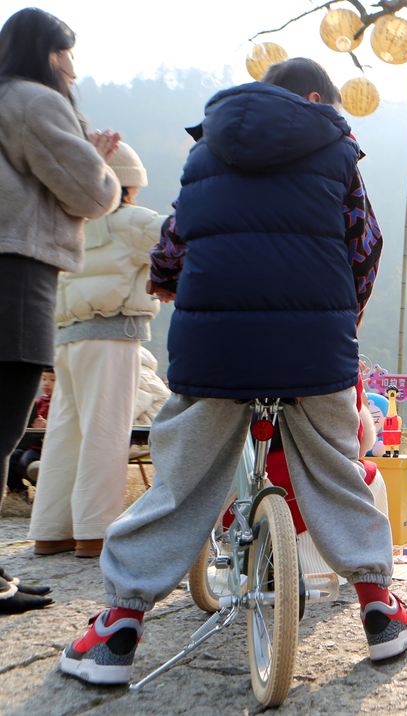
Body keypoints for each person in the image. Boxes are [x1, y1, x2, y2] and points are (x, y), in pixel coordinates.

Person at [59, 58, 407, 687]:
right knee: (337, 469)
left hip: (214, 352)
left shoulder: (205, 156)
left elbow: (173, 245)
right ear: (313, 99)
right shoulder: (338, 154)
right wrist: (341, 318)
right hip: (314, 352)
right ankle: (380, 611)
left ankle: (118, 625)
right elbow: (365, 247)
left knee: (182, 478)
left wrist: (172, 287)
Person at [0, 7, 118, 614]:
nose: (73, 67)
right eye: (67, 53)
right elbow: (93, 192)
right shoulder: (30, 100)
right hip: (16, 268)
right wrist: (97, 157)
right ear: (49, 53)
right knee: (3, 423)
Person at [29, 142, 165, 559]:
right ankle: (94, 532)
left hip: (67, 338)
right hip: (112, 333)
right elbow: (181, 242)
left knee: (64, 435)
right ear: (129, 184)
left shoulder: (72, 221)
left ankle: (51, 531)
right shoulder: (132, 221)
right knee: (106, 432)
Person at [6, 367, 53, 499]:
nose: (46, 383)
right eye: (43, 379)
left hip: (44, 448)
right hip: (31, 444)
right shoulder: (39, 402)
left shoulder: (62, 403)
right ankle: (19, 492)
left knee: (28, 460)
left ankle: (44, 492)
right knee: (11, 457)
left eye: (52, 380)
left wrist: (47, 425)